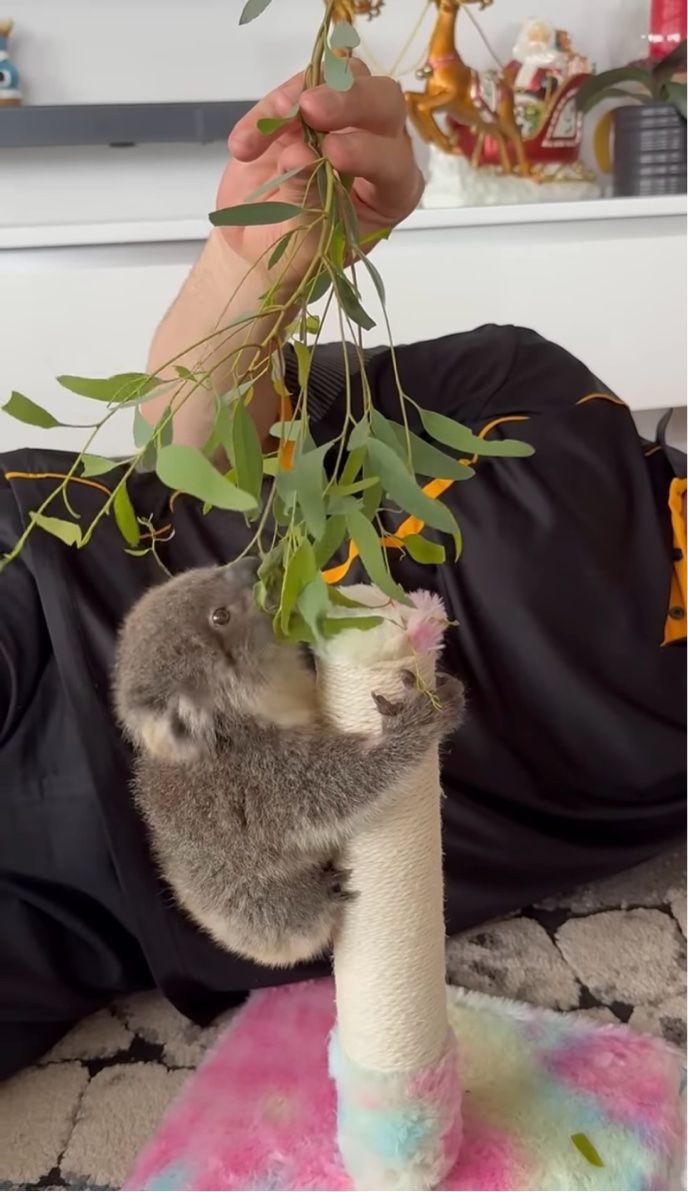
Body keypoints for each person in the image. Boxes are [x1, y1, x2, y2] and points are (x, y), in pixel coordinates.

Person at [1, 63, 685, 1082]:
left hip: (103, 904)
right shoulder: (537, 391)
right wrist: (249, 268)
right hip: (60, 607)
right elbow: (194, 448)